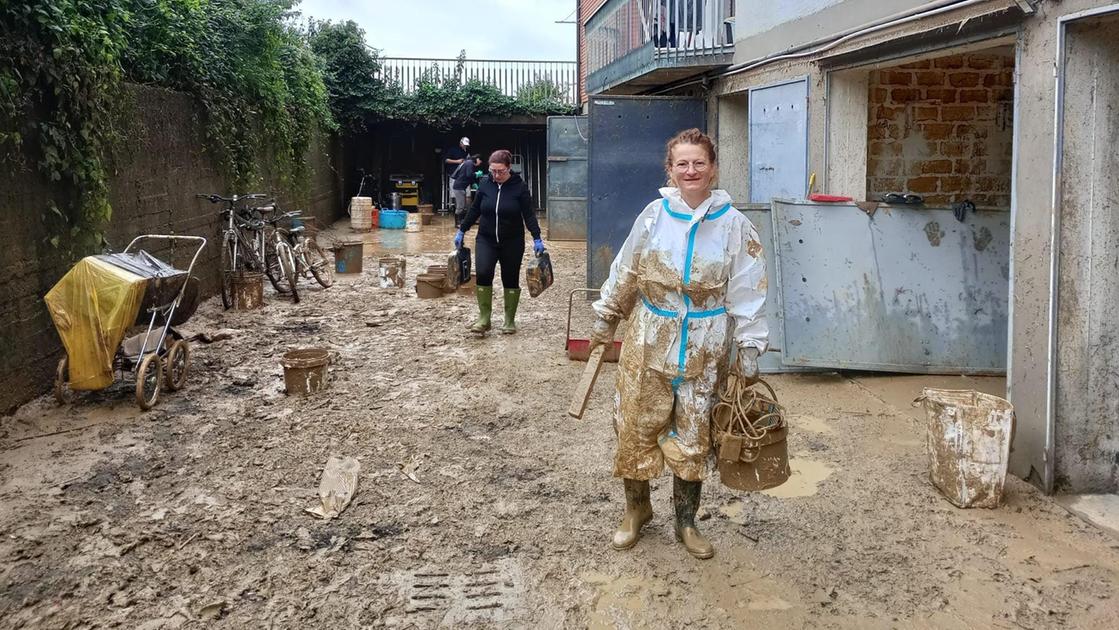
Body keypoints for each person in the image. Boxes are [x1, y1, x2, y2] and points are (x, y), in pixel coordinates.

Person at [587, 128, 768, 560]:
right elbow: (627, 268)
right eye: (682, 164)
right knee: (635, 425)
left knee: (694, 431)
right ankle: (636, 510)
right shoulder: (654, 216)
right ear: (670, 170)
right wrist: (607, 316)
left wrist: (748, 344)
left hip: (705, 345)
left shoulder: (735, 225)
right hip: (650, 335)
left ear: (713, 169)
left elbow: (749, 287)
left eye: (699, 163)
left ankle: (686, 520)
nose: (691, 171)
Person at [454, 149, 544, 335]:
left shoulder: (519, 187)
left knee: (509, 278)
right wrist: (462, 229)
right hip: (486, 239)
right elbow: (475, 210)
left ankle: (509, 321)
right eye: (493, 171)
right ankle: (484, 318)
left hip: (512, 241)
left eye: (500, 171)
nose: (496, 175)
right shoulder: (486, 185)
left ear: (509, 168)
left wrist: (537, 237)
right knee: (483, 272)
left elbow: (529, 215)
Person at [451, 155, 482, 227]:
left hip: (461, 187)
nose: (480, 163)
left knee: (463, 205)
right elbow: (469, 175)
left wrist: (474, 184)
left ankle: (461, 221)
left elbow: (469, 177)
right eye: (480, 161)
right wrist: (476, 174)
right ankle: (457, 223)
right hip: (459, 187)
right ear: (477, 159)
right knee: (460, 206)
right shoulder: (470, 163)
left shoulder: (468, 163)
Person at [444, 136, 470, 208]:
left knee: (467, 193)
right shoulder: (453, 150)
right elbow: (446, 160)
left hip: (464, 175)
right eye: (464, 144)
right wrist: (457, 161)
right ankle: (457, 210)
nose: (465, 146)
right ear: (460, 143)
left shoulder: (466, 151)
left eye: (466, 145)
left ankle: (466, 210)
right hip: (454, 174)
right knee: (456, 194)